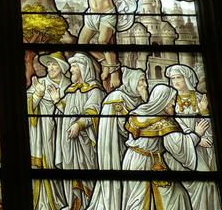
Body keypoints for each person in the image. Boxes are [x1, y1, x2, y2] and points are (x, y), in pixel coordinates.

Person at [122, 84, 210, 210]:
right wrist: (197, 134)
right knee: (142, 202)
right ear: (162, 102)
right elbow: (179, 146)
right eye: (171, 102)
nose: (174, 104)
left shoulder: (138, 113)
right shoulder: (163, 122)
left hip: (132, 159)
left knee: (140, 199)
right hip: (148, 164)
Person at [87, 67, 148, 210]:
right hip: (114, 147)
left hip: (131, 151)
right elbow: (124, 127)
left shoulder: (138, 100)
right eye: (141, 80)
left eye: (144, 80)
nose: (145, 84)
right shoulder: (116, 97)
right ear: (132, 81)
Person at [50, 52, 105, 210]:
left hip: (84, 141)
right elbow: (66, 109)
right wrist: (56, 100)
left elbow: (92, 112)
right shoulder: (71, 90)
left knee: (86, 173)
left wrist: (79, 125)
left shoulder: (94, 90)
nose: (71, 70)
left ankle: (88, 205)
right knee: (70, 173)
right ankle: (74, 205)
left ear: (83, 68)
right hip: (69, 142)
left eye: (74, 66)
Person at [166, 64, 220, 209]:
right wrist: (196, 137)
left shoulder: (199, 98)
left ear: (187, 78)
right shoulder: (170, 99)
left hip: (200, 148)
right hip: (180, 149)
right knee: (204, 181)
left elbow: (208, 127)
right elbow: (173, 123)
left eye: (179, 77)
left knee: (209, 181)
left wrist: (204, 112)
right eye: (173, 78)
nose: (175, 81)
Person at [26, 52, 71, 209]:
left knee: (58, 165)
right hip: (42, 132)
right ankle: (43, 204)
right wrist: (38, 95)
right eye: (49, 64)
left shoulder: (70, 86)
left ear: (62, 68)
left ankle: (62, 201)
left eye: (54, 64)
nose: (50, 68)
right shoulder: (40, 83)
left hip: (63, 133)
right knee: (46, 165)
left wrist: (58, 100)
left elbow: (74, 111)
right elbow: (26, 106)